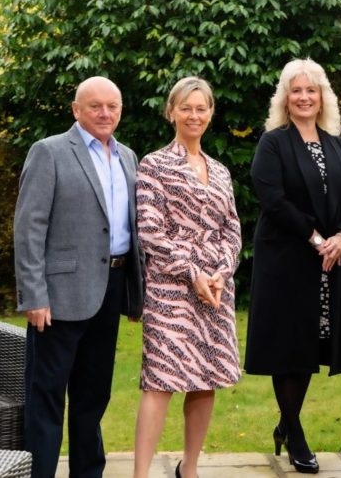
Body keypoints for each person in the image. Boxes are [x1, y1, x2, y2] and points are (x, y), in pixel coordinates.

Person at [14, 76, 144, 478]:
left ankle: (89, 473)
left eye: (113, 106)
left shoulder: (128, 157)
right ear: (76, 110)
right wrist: (34, 295)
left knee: (93, 396)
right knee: (48, 396)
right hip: (58, 297)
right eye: (95, 106)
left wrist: (136, 292)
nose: (105, 113)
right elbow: (29, 227)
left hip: (111, 288)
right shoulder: (49, 152)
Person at [244, 58, 341, 474]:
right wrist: (315, 238)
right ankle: (295, 433)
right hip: (287, 258)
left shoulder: (337, 144)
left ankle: (285, 421)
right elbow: (273, 199)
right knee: (288, 348)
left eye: (311, 90)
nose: (304, 97)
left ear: (322, 96)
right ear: (285, 98)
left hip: (328, 261)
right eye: (296, 91)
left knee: (310, 346)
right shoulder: (274, 143)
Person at [132, 77, 242, 478]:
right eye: (186, 108)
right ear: (171, 112)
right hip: (170, 288)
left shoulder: (221, 171)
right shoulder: (154, 164)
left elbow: (232, 229)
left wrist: (220, 273)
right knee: (160, 381)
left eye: (201, 108)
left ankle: (189, 468)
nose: (194, 115)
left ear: (210, 113)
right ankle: (140, 474)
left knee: (205, 379)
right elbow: (150, 231)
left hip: (216, 287)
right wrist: (192, 272)